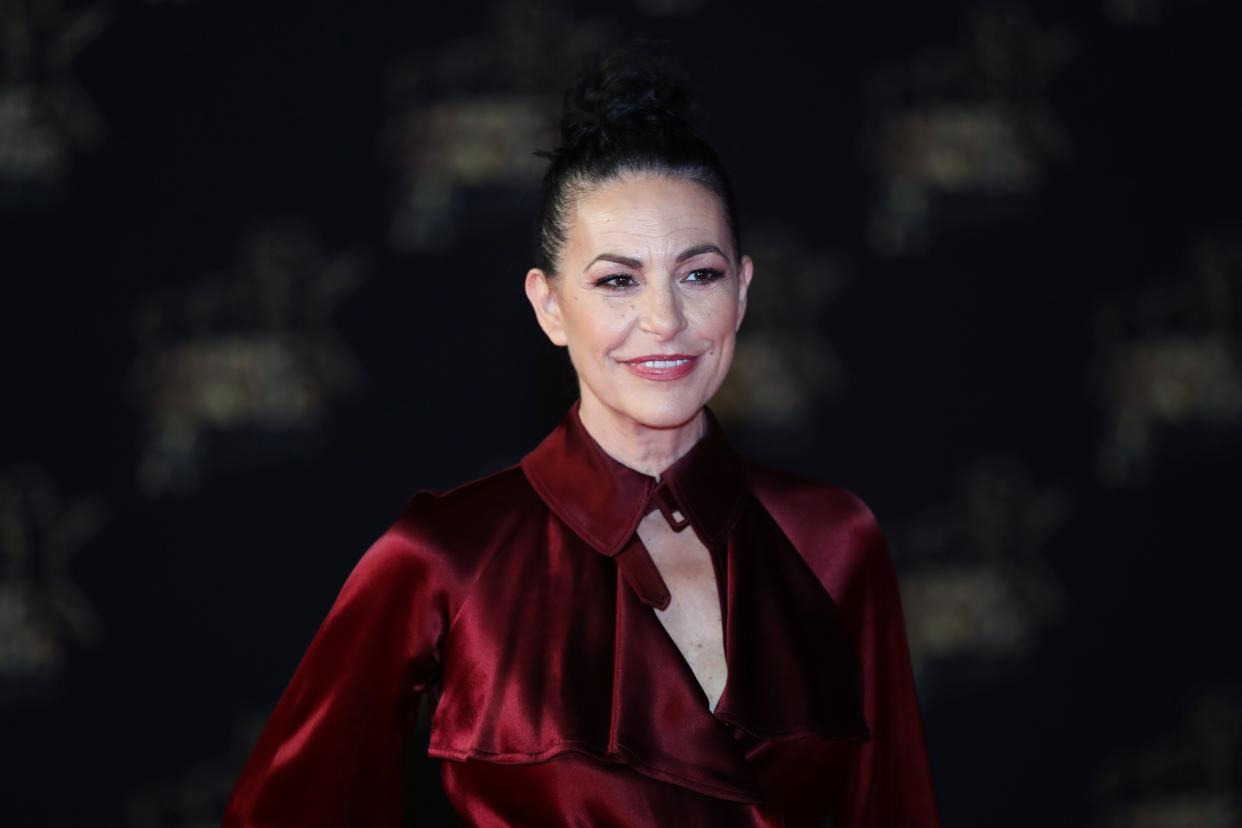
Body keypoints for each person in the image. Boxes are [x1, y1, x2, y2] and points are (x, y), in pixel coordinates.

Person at [224, 50, 940, 827]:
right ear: (550, 306)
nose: (664, 320)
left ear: (743, 289)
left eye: (697, 274)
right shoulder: (446, 555)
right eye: (617, 280)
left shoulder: (835, 540)